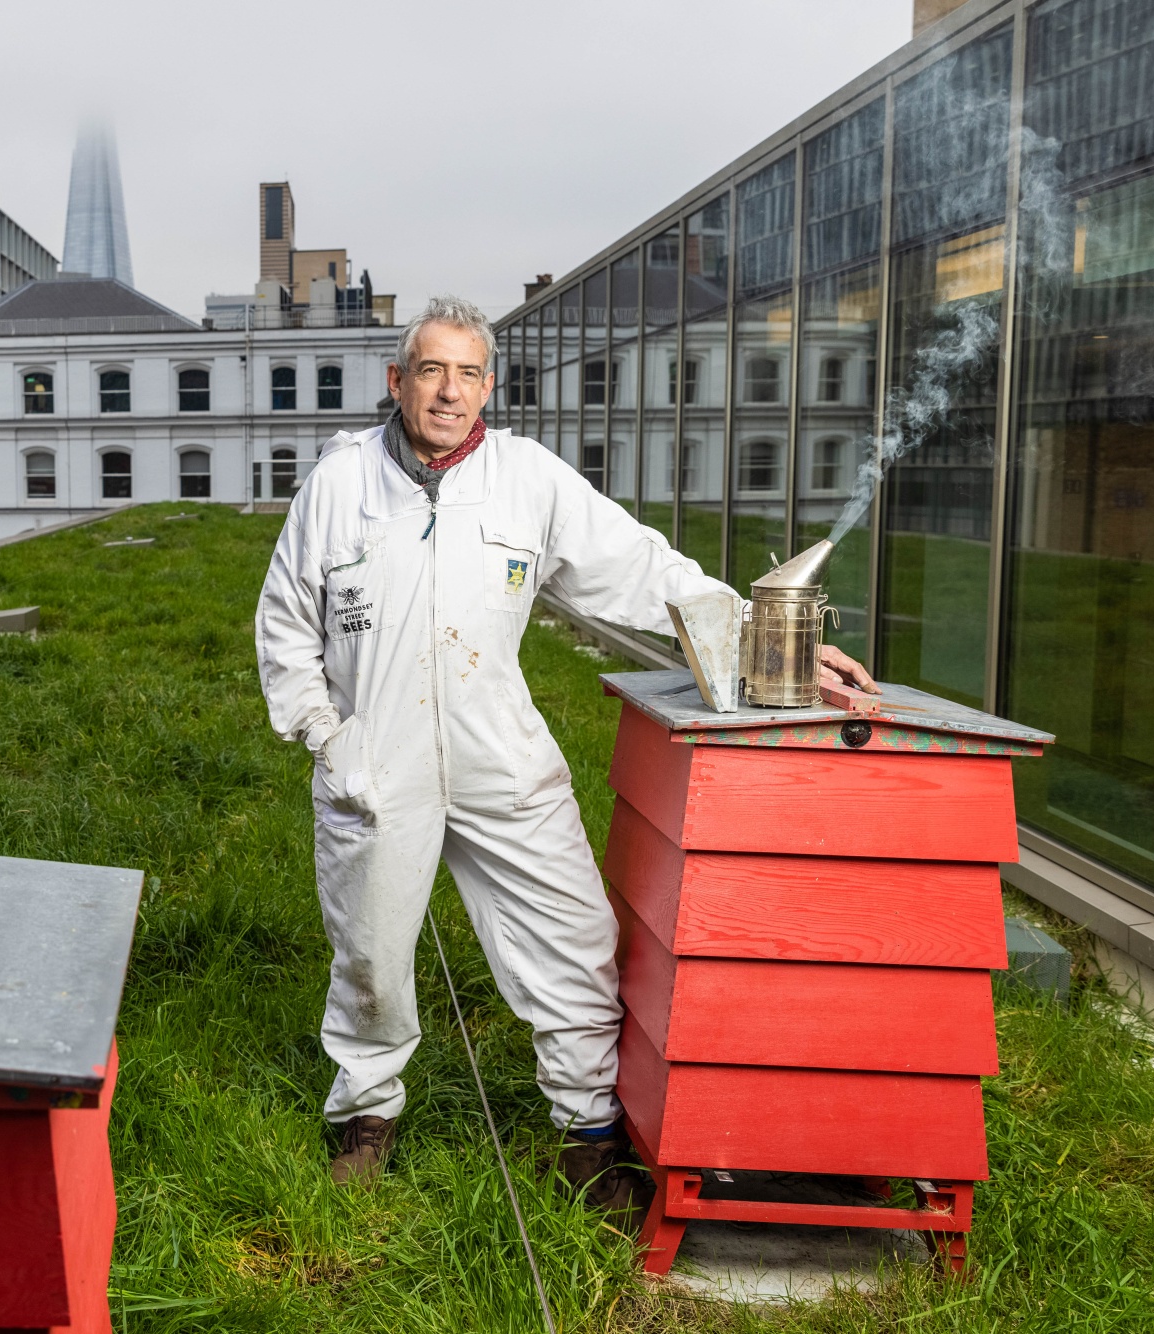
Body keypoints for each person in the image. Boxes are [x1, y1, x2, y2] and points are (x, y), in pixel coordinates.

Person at [254, 295, 875, 1214]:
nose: (449, 391)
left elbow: (642, 570)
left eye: (468, 374)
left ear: (489, 388)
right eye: (431, 370)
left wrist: (764, 637)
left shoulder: (526, 479)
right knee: (372, 955)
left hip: (498, 746)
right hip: (374, 757)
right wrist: (327, 735)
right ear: (398, 381)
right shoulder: (339, 485)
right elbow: (285, 622)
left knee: (575, 937)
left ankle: (586, 1132)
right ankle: (365, 1117)